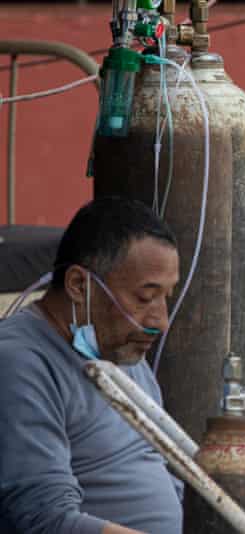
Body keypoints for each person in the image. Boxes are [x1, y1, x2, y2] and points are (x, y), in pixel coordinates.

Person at [0, 197, 183, 534]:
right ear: (79, 286)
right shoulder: (19, 365)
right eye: (145, 297)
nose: (160, 321)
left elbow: (176, 484)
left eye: (166, 297)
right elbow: (46, 521)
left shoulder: (121, 352)